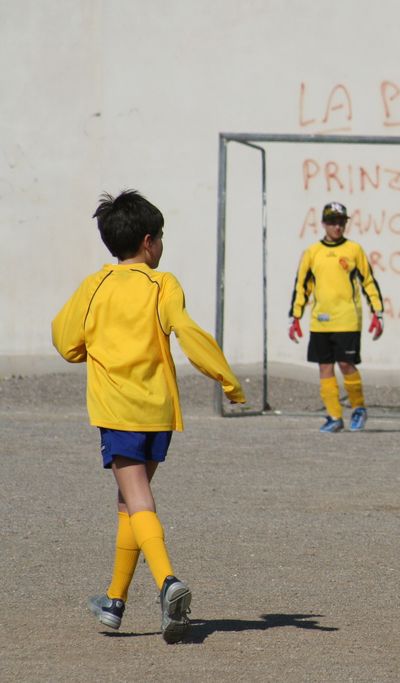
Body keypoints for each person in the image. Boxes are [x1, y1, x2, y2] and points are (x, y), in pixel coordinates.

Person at [51, 190, 246, 643]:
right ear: (148, 242)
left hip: (117, 410)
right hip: (158, 412)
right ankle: (114, 601)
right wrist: (226, 378)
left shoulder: (94, 285)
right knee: (129, 503)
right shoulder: (164, 284)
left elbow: (65, 340)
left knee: (137, 499)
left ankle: (167, 582)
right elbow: (188, 331)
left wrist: (89, 352)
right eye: (160, 236)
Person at [289, 201, 384, 433]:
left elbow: (368, 282)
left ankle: (358, 407)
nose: (337, 227)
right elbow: (302, 286)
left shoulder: (354, 250)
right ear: (324, 224)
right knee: (324, 367)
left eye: (341, 222)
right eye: (332, 222)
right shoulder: (313, 252)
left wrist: (377, 313)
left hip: (347, 319)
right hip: (320, 320)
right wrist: (296, 316)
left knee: (346, 364)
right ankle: (334, 416)